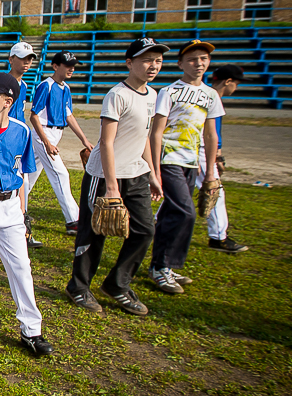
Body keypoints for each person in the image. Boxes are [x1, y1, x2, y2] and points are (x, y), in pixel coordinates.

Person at [66, 37, 168, 316]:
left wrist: (152, 173)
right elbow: (107, 142)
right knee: (94, 232)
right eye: (147, 59)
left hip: (136, 173)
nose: (153, 65)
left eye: (158, 60)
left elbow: (145, 136)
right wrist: (111, 187)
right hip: (104, 175)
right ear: (129, 62)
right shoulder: (117, 95)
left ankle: (117, 284)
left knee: (145, 230)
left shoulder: (153, 95)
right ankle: (78, 286)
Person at [0, 73, 53, 356]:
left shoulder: (21, 130)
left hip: (10, 207)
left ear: (8, 101)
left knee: (21, 268)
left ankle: (32, 330)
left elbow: (22, 175)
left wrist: (22, 208)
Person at [148, 40, 222, 294]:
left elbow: (211, 135)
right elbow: (156, 132)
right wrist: (155, 168)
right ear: (180, 64)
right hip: (169, 158)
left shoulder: (211, 95)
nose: (199, 64)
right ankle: (162, 267)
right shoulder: (169, 92)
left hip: (191, 161)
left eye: (203, 59)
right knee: (186, 212)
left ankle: (161, 265)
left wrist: (210, 170)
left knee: (171, 212)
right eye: (192, 59)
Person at [25, 51, 95, 235]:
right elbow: (34, 116)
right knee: (60, 174)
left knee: (29, 175)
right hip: (43, 133)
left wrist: (84, 140)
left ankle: (18, 209)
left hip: (55, 134)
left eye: (73, 65)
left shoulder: (66, 88)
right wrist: (47, 142)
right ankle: (74, 220)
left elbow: (68, 115)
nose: (71, 68)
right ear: (55, 66)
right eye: (67, 65)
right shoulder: (45, 86)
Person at [202, 65, 249, 254]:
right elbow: (211, 132)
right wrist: (217, 155)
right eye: (236, 83)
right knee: (215, 193)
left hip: (198, 150)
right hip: (201, 151)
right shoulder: (211, 97)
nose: (235, 88)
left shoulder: (208, 95)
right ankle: (218, 238)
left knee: (181, 192)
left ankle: (154, 222)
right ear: (227, 81)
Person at [6, 41, 44, 249]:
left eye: (30, 58)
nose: (27, 62)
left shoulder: (25, 85)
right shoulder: (4, 83)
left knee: (23, 183)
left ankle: (21, 228)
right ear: (11, 59)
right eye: (22, 58)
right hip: (6, 140)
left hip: (19, 140)